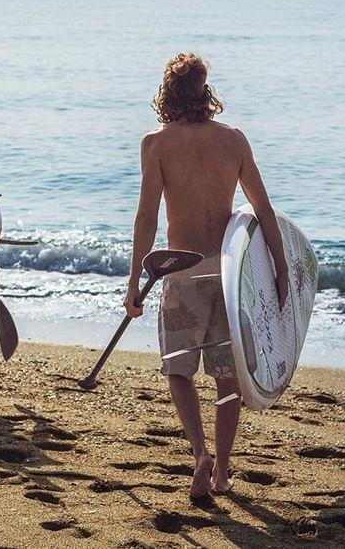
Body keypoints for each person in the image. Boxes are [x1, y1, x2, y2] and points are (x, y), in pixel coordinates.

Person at [124, 53, 289, 501]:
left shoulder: (155, 143)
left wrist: (135, 283)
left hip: (181, 274)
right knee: (226, 379)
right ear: (205, 91)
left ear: (167, 92)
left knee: (179, 372)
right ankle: (223, 473)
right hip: (229, 278)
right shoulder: (233, 140)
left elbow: (145, 219)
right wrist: (279, 267)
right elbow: (263, 210)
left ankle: (199, 453)